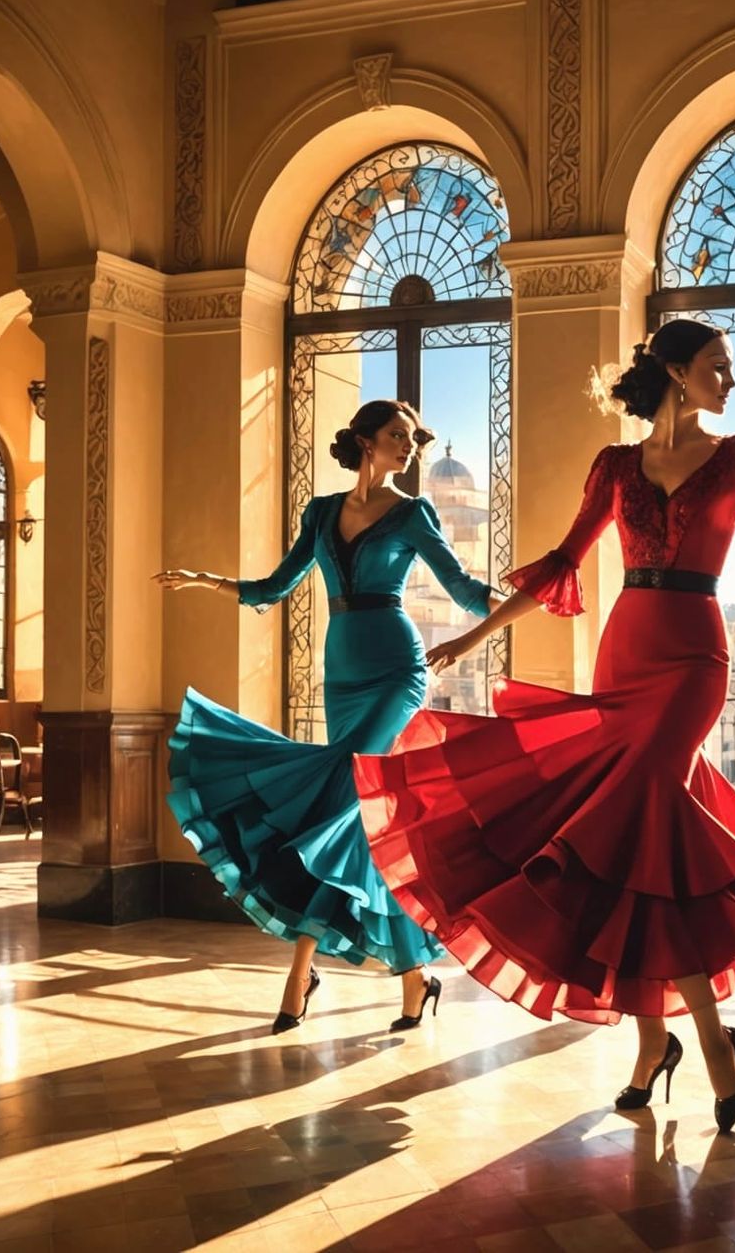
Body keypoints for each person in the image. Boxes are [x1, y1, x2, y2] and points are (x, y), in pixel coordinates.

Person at [353, 319, 735, 1132]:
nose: (731, 381)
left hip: (692, 659)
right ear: (677, 373)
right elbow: (564, 561)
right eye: (719, 366)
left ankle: (706, 1042)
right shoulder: (615, 465)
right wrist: (475, 635)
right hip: (626, 650)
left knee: (643, 822)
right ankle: (657, 1045)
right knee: (635, 846)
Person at [155, 400, 493, 1034]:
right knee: (364, 823)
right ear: (366, 441)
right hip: (342, 677)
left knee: (340, 802)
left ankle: (300, 971)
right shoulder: (319, 512)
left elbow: (464, 590)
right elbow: (274, 587)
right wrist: (205, 579)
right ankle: (415, 977)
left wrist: (520, 601)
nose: (409, 447)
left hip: (396, 673)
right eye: (397, 435)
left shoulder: (413, 513)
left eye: (413, 439)